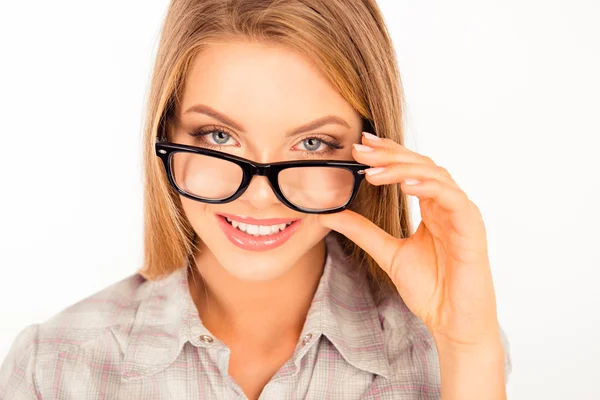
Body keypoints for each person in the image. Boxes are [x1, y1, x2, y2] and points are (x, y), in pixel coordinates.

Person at [0, 0, 512, 399]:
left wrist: (468, 348)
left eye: (313, 144)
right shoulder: (56, 368)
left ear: (369, 152)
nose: (262, 196)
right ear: (166, 134)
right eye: (219, 136)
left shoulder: (440, 351)